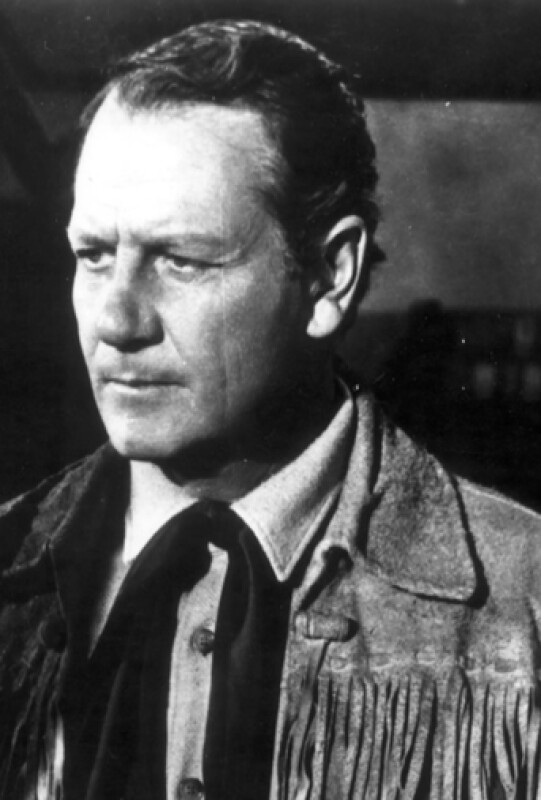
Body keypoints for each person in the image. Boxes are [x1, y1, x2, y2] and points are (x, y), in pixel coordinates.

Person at [0, 18, 540, 800]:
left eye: (180, 261)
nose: (116, 321)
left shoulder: (524, 609)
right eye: (94, 256)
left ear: (328, 277)